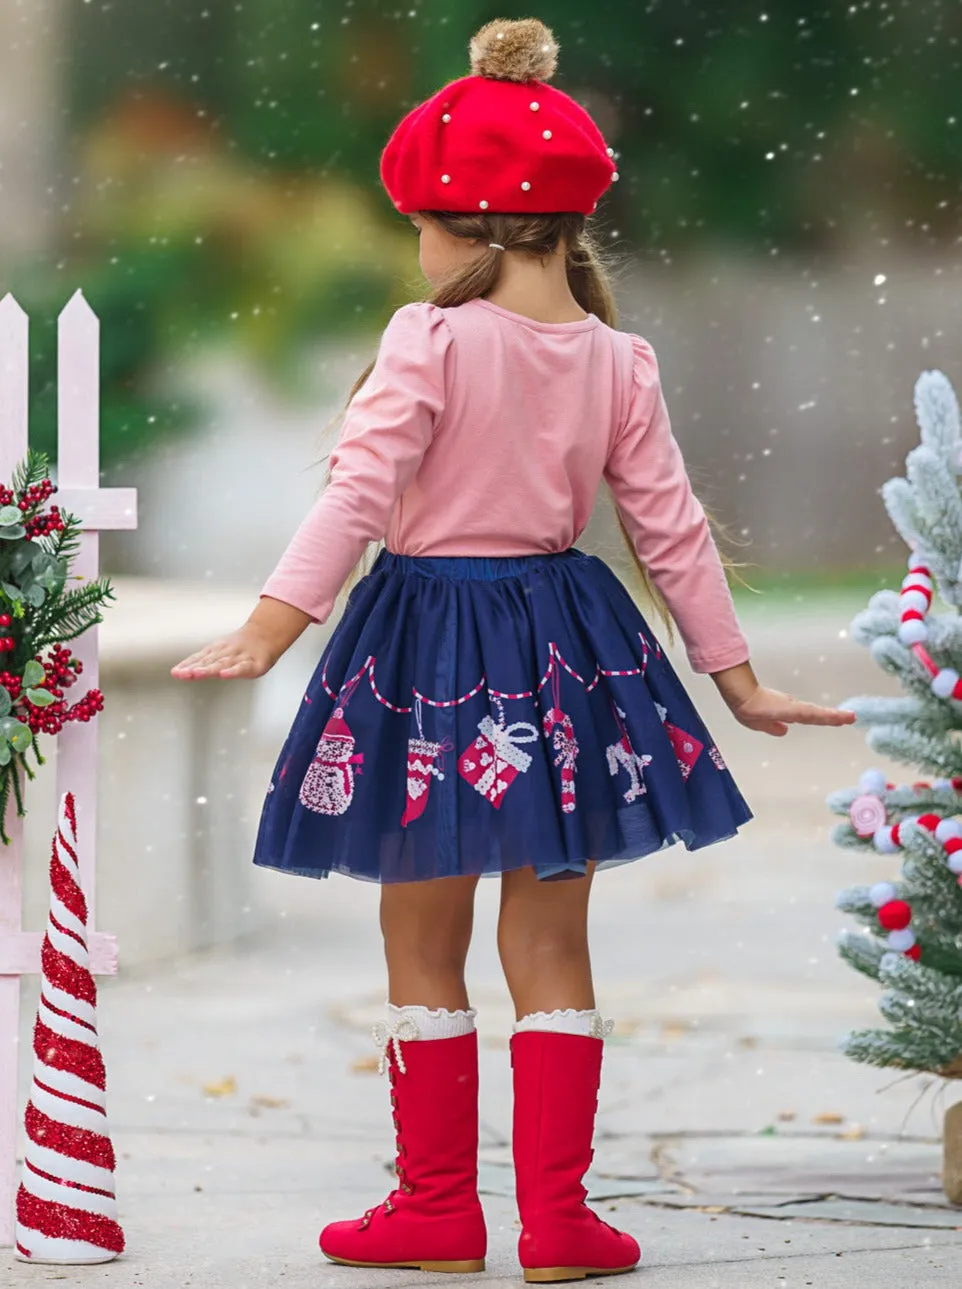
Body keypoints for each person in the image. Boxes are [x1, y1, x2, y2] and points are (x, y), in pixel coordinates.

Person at [172, 17, 855, 1285]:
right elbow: (670, 527)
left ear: (460, 227)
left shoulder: (427, 337)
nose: (413, 246)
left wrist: (273, 626)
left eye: (418, 220)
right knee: (551, 942)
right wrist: (735, 678)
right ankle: (555, 1220)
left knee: (419, 936)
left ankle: (435, 1207)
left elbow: (354, 494)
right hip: (565, 655)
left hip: (421, 651)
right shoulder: (614, 357)